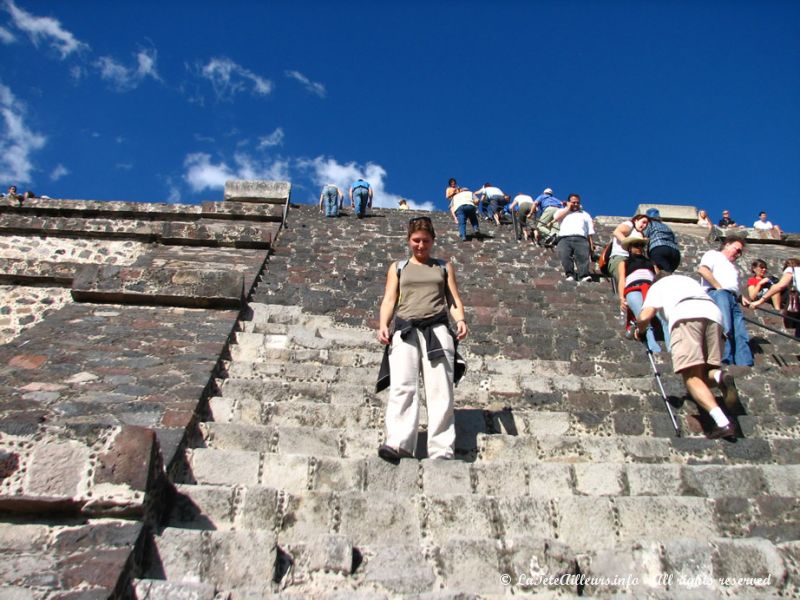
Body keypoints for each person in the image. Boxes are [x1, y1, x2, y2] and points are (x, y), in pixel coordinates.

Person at [376, 216, 468, 461]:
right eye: (416, 241)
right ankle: (399, 443)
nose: (420, 246)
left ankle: (441, 450)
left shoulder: (443, 266)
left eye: (425, 241)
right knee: (402, 387)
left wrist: (460, 320)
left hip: (437, 330)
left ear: (433, 241)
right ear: (408, 240)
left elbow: (453, 300)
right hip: (405, 329)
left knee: (440, 390)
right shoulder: (398, 267)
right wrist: (383, 324)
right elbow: (389, 299)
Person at [635, 274, 738, 439]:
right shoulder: (688, 280)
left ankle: (722, 422)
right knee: (707, 371)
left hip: (686, 315)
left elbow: (645, 316)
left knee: (691, 378)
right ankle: (720, 376)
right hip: (714, 314)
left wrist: (639, 330)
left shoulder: (657, 287)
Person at [697, 237, 754, 366]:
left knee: (740, 331)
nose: (738, 254)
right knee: (725, 327)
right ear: (727, 245)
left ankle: (745, 363)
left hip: (732, 297)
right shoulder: (713, 254)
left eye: (740, 252)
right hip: (718, 294)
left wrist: (740, 297)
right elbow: (703, 270)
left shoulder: (732, 267)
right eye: (737, 249)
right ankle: (725, 360)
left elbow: (731, 285)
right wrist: (719, 287)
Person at [617, 236, 662, 353]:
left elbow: (658, 278)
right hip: (633, 289)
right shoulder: (624, 262)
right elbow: (622, 279)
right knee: (642, 315)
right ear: (630, 248)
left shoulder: (651, 262)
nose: (639, 248)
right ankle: (653, 346)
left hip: (652, 289)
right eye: (636, 245)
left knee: (663, 318)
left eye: (641, 245)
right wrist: (621, 297)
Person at [553, 193, 595, 282]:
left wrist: (591, 244)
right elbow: (556, 218)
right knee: (565, 256)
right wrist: (568, 208)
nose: (576, 204)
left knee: (583, 257)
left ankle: (584, 276)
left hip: (581, 238)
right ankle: (570, 275)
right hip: (564, 238)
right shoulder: (562, 211)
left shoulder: (585, 214)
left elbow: (589, 231)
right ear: (569, 202)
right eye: (573, 202)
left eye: (577, 203)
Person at [607, 214, 649, 289]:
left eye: (646, 224)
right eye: (643, 222)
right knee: (625, 281)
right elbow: (617, 232)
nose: (645, 225)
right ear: (636, 220)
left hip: (633, 260)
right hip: (620, 257)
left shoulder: (641, 234)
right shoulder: (630, 225)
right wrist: (628, 244)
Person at [643, 208, 681, 273]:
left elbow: (644, 236)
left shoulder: (650, 224)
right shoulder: (666, 226)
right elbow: (674, 240)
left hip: (659, 249)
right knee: (668, 272)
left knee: (661, 273)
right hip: (675, 253)